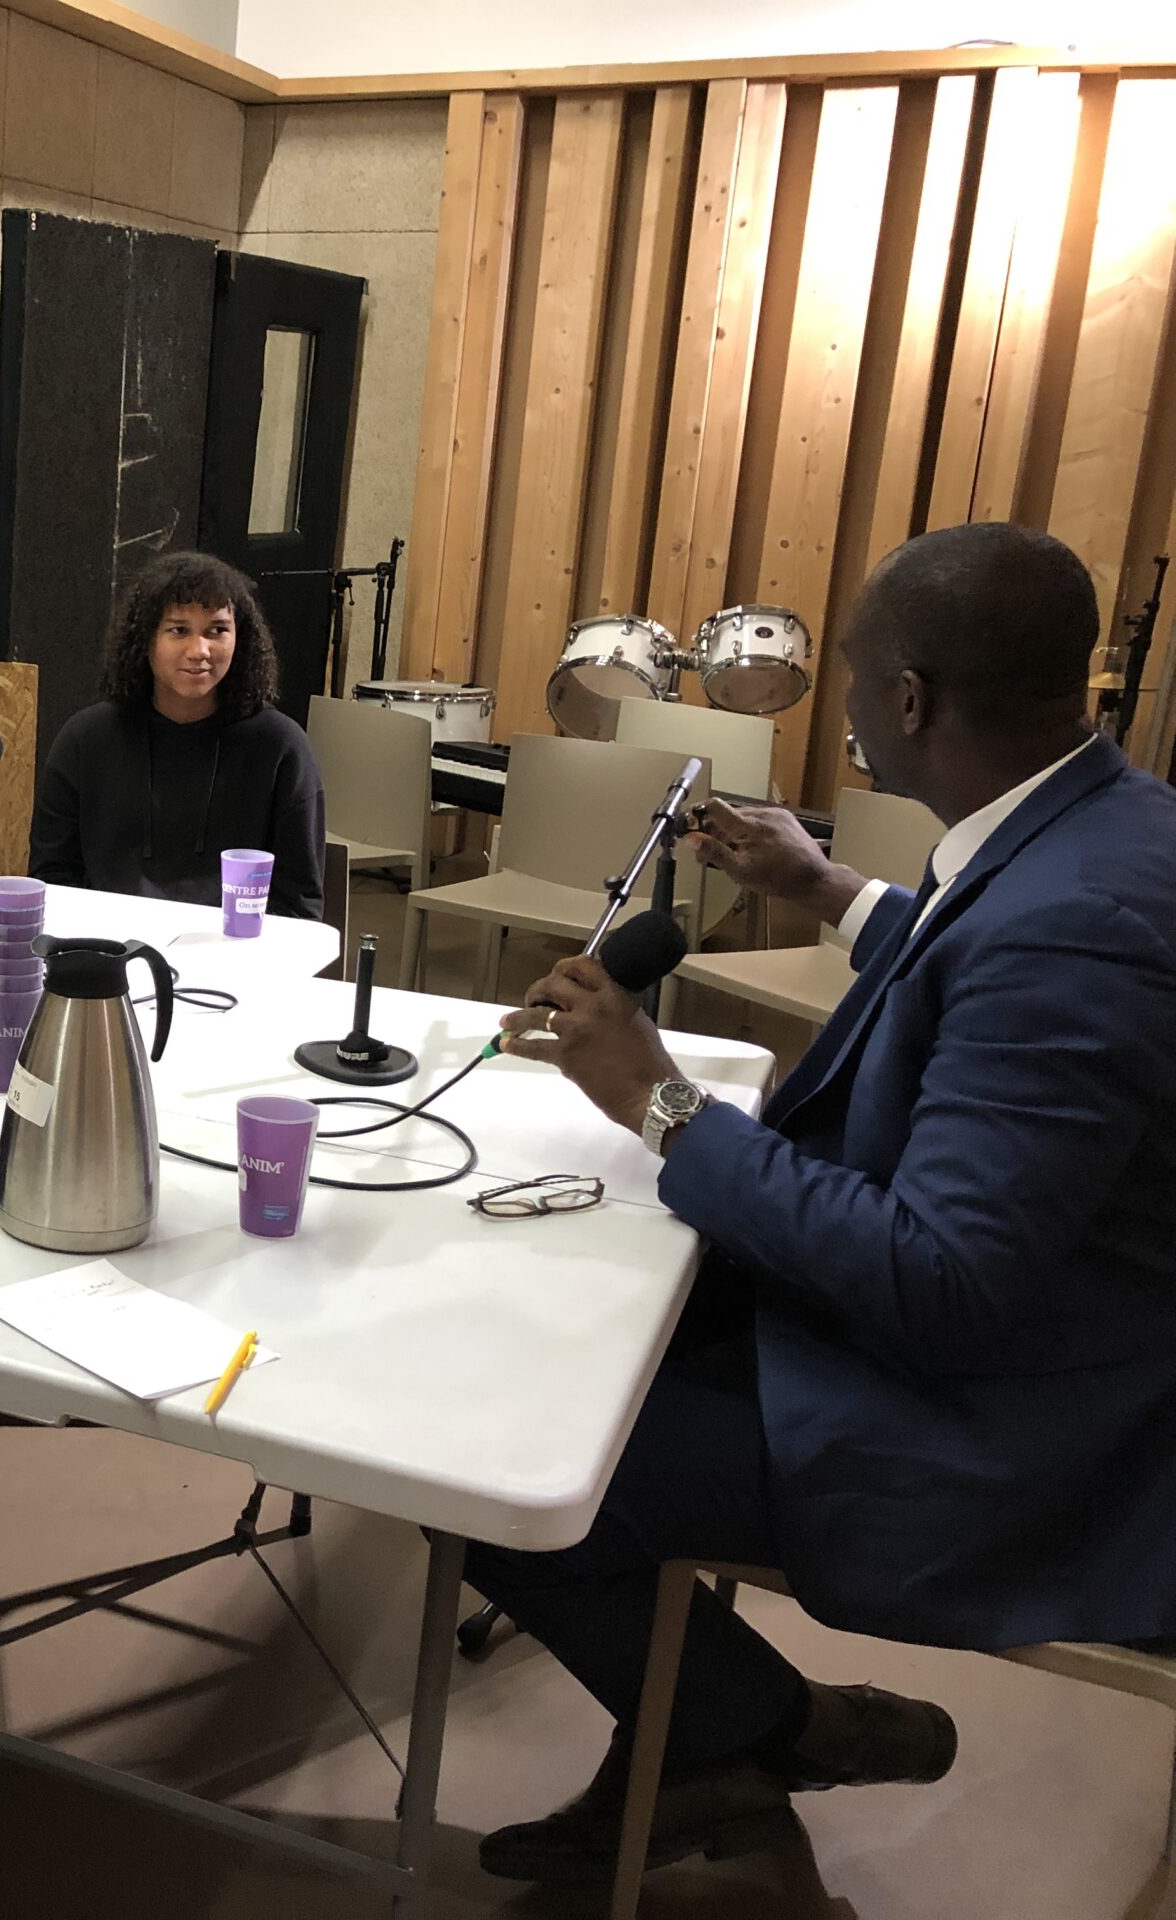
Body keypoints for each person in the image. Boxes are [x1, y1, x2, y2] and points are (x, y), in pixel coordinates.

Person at [467, 521, 1176, 1885]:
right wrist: (833, 891)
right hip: (1018, 1350)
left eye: (849, 676)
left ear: (908, 700)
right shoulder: (1100, 825)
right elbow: (976, 977)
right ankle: (715, 1760)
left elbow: (944, 1280)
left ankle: (760, 1733)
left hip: (1013, 1438)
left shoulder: (1079, 926)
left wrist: (659, 1101)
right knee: (567, 1326)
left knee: (499, 1459)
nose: (839, 704)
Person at [29, 551, 327, 919]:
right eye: (179, 630)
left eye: (217, 630)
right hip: (107, 951)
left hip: (232, 960)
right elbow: (52, 879)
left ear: (241, 638)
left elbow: (299, 904)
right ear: (146, 639)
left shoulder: (280, 746)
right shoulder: (86, 739)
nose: (199, 650)